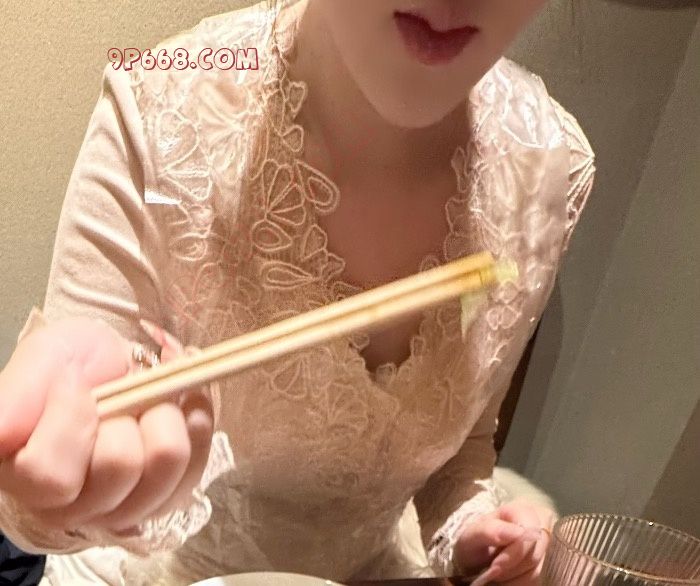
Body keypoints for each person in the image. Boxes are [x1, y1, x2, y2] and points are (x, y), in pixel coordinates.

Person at [0, 0, 595, 584]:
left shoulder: (549, 166)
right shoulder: (159, 103)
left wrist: (475, 535)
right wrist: (54, 487)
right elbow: (39, 498)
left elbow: (462, 453)